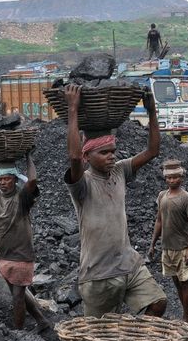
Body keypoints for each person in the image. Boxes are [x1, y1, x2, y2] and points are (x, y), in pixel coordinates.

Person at [64, 84, 167, 318]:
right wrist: (72, 109)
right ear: (87, 156)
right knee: (98, 331)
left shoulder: (120, 171)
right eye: (104, 152)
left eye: (113, 151)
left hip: (129, 264)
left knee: (158, 303)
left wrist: (152, 112)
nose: (111, 156)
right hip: (98, 274)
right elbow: (72, 155)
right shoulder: (82, 184)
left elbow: (152, 151)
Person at [0, 152, 51, 332]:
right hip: (1, 255)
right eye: (0, 179)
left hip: (21, 257)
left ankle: (18, 334)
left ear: (14, 179)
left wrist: (28, 156)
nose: (3, 183)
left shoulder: (22, 198)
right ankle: (41, 320)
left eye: (7, 179)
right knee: (18, 292)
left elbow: (32, 181)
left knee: (17, 297)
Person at [149, 160, 188, 325]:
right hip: (167, 247)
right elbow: (159, 221)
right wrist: (153, 244)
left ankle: (187, 316)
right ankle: (186, 313)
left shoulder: (186, 198)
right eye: (169, 178)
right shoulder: (162, 196)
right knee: (177, 282)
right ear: (165, 178)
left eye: (175, 177)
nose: (172, 180)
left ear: (181, 177)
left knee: (185, 282)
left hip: (182, 247)